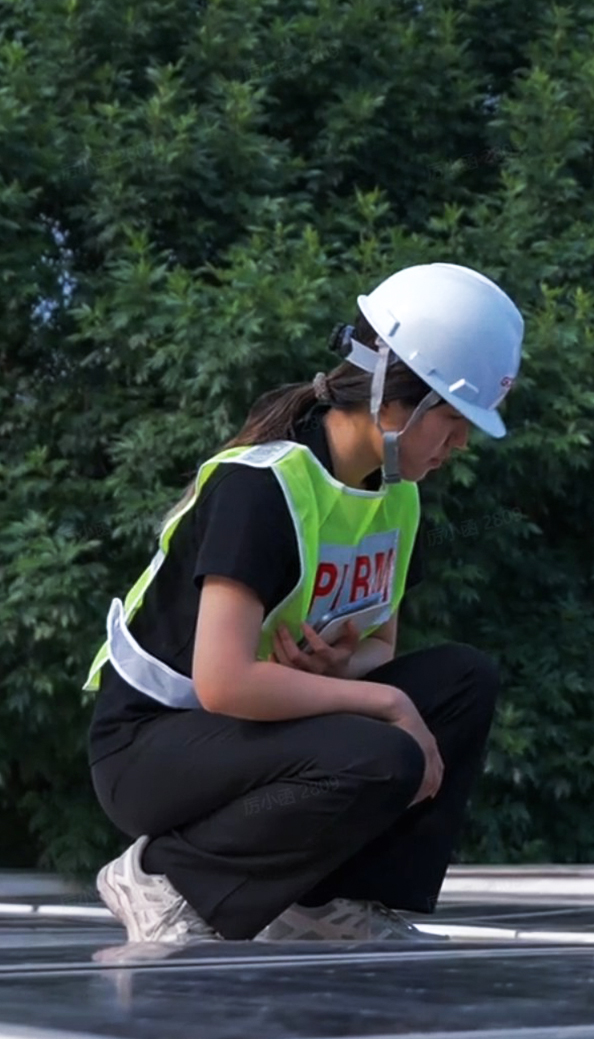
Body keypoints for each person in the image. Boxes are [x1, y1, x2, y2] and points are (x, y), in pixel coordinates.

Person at [81, 262, 522, 943]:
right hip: (151, 744)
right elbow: (223, 680)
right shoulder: (260, 487)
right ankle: (165, 878)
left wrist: (341, 673)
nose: (460, 444)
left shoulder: (396, 498)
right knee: (388, 749)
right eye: (455, 421)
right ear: (396, 397)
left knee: (464, 681)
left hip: (254, 732)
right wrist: (381, 700)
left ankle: (330, 902)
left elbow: (379, 647)